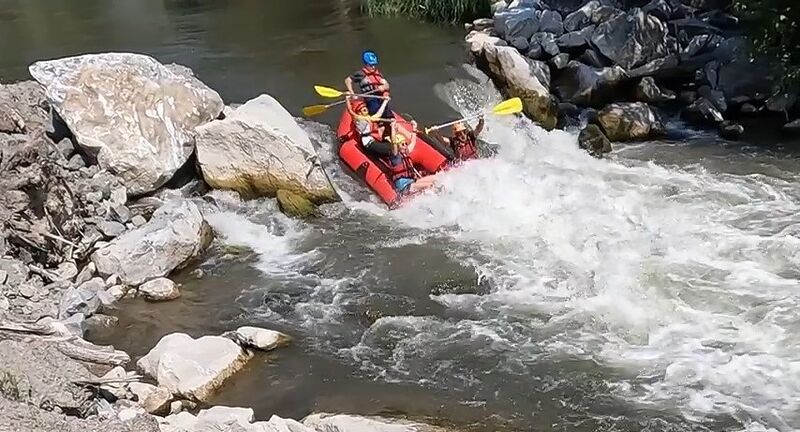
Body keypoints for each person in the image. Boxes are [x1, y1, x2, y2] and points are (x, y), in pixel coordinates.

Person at [345, 50, 393, 120]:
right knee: (377, 116)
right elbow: (348, 80)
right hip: (370, 98)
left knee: (391, 118)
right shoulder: (360, 74)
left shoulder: (378, 74)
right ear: (366, 64)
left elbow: (387, 85)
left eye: (374, 65)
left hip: (380, 98)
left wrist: (384, 86)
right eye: (371, 65)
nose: (373, 67)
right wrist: (352, 92)